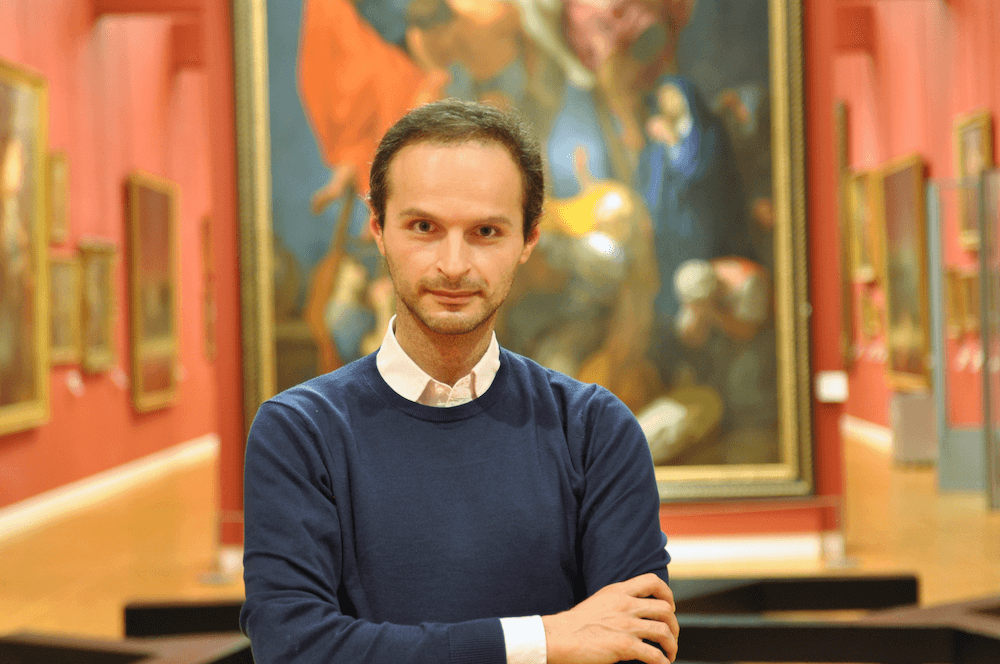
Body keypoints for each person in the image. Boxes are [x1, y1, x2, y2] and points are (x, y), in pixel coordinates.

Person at [241, 99, 679, 664]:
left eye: (486, 231)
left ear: (529, 239)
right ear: (378, 229)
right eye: (424, 227)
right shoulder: (297, 433)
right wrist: (547, 640)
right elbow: (296, 650)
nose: (453, 265)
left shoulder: (596, 430)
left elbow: (637, 646)